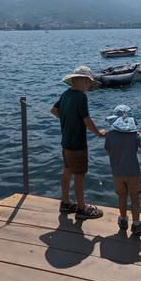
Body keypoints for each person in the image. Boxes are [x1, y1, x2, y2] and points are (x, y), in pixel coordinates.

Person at [51, 65, 106, 220]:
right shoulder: (81, 97)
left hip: (66, 142)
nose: (89, 85)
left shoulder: (66, 94)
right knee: (79, 175)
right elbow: (87, 120)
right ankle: (81, 208)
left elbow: (54, 110)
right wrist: (98, 133)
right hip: (78, 144)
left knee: (67, 170)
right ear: (79, 80)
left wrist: (67, 120)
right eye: (87, 82)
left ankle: (66, 202)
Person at [104, 104, 141, 236]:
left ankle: (123, 220)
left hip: (117, 173)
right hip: (133, 173)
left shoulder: (110, 135)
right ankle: (136, 224)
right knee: (135, 198)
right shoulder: (135, 135)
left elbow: (108, 150)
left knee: (122, 196)